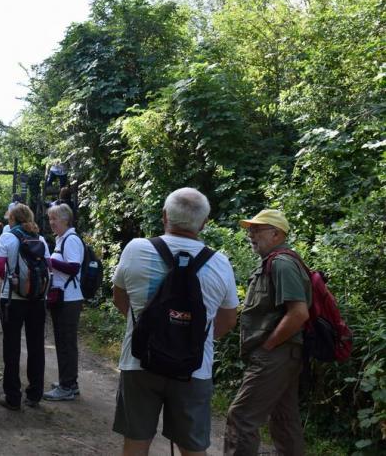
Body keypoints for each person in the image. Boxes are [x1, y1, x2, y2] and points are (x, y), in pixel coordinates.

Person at [111, 188, 239, 456]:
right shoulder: (220, 263)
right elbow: (228, 319)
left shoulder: (136, 249)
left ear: (164, 216)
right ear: (204, 223)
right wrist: (187, 340)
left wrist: (151, 333)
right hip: (194, 369)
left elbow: (120, 299)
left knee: (135, 441)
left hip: (139, 363)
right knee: (192, 447)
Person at [224, 209, 311, 456]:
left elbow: (298, 313)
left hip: (276, 354)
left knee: (241, 417)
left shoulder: (282, 263)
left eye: (257, 229)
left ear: (276, 234)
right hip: (282, 354)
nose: (251, 234)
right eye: (250, 229)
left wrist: (269, 346)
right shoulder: (272, 262)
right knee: (284, 419)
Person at [0, 204, 51, 410]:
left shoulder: (7, 237)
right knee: (36, 346)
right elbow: (48, 267)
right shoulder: (40, 238)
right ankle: (35, 394)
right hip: (37, 299)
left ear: (12, 219)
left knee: (12, 346)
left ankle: (12, 396)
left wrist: (13, 282)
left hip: (12, 298)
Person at [43, 203, 84, 401]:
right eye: (50, 219)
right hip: (63, 297)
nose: (51, 223)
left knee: (66, 342)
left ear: (66, 220)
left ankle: (67, 386)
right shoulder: (62, 239)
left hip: (69, 299)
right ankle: (69, 382)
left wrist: (48, 261)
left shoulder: (72, 240)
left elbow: (74, 268)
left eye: (55, 219)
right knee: (62, 341)